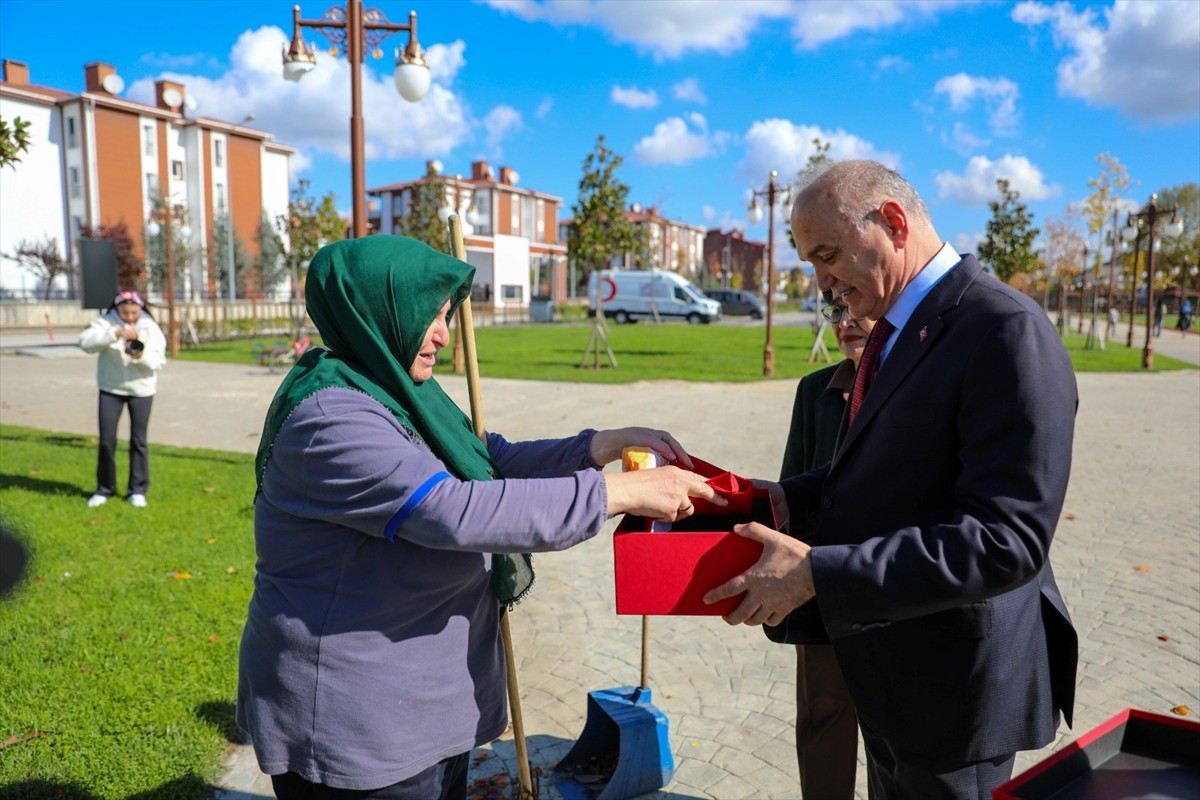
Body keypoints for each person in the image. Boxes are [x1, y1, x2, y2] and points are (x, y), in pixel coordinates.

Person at [237, 236, 719, 799]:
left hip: (422, 701)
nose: (442, 335)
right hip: (359, 717)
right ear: (378, 310)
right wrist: (618, 494)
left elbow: (489, 463)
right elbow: (452, 509)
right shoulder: (331, 418)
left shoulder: (395, 389)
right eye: (429, 318)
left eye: (445, 317)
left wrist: (601, 446)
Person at [705, 160, 1078, 799]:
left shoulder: (1004, 330)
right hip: (892, 673)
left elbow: (1004, 541)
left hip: (956, 695)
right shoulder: (905, 327)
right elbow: (887, 468)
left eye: (828, 255)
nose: (822, 283)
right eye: (810, 263)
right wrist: (778, 499)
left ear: (894, 223)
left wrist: (816, 574)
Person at [778, 299, 874, 799]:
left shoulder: (911, 389)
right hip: (819, 591)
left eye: (856, 307)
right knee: (823, 722)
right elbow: (789, 491)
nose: (844, 322)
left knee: (891, 738)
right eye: (834, 312)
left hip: (891, 588)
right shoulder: (814, 391)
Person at [77, 290, 167, 508]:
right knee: (107, 441)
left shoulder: (150, 327)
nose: (129, 317)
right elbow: (85, 343)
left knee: (139, 441)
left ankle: (137, 490)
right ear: (116, 309)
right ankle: (104, 488)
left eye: (134, 312)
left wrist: (139, 356)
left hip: (141, 391)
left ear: (141, 309)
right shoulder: (105, 322)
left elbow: (159, 362)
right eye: (124, 312)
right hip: (111, 389)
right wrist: (113, 333)